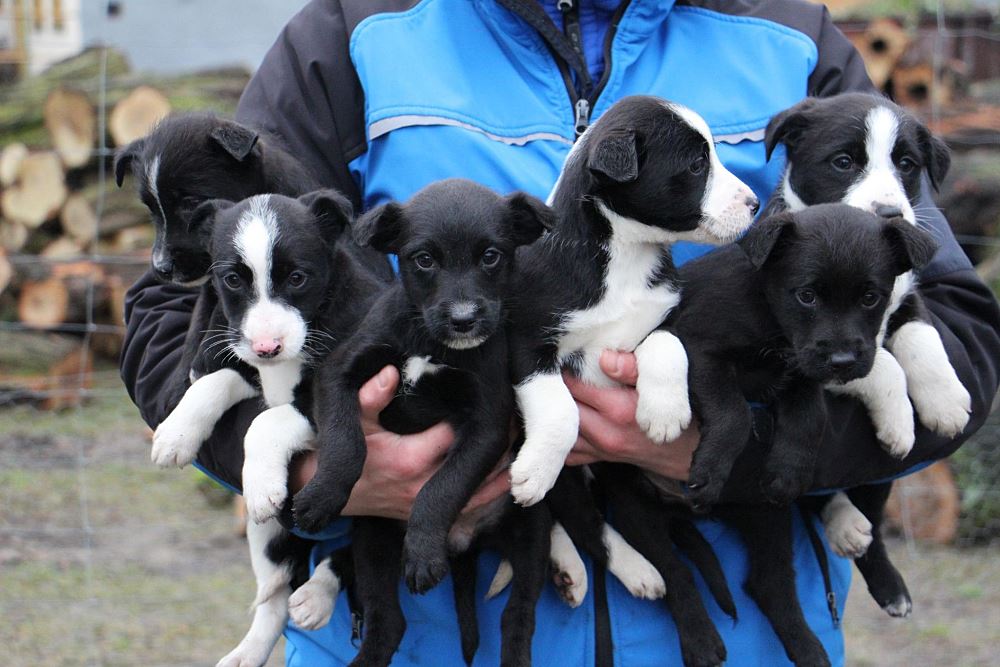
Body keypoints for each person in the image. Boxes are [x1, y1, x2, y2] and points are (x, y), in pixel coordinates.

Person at [120, 1, 1000, 665]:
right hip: (417, 633)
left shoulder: (788, 36)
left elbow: (952, 324)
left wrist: (749, 448)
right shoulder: (353, 34)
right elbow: (180, 303)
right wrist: (321, 467)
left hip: (736, 629)